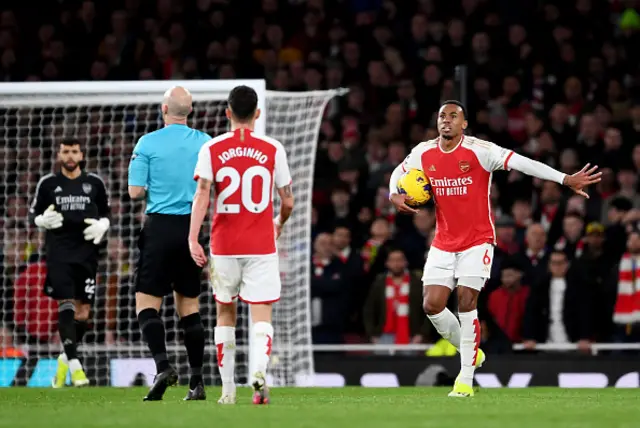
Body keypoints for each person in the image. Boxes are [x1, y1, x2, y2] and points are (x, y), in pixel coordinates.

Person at [388, 100, 601, 397]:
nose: (446, 120)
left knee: (466, 299)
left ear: (464, 123)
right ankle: (472, 351)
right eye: (441, 116)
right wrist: (393, 193)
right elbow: (399, 170)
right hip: (443, 241)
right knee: (431, 305)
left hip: (478, 240)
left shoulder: (480, 150)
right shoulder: (424, 152)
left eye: (453, 116)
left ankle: (464, 378)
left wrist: (564, 178)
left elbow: (524, 163)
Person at [189, 85, 294, 405]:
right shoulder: (273, 148)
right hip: (261, 244)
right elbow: (288, 201)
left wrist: (193, 238)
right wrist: (279, 222)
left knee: (225, 313)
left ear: (227, 113)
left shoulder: (212, 148)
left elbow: (203, 194)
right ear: (257, 114)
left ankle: (228, 390)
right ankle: (259, 373)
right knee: (261, 313)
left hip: (223, 245)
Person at [127, 86, 212, 401]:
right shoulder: (206, 143)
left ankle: (162, 366)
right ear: (190, 111)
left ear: (164, 109)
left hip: (160, 227)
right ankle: (197, 382)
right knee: (189, 305)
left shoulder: (147, 143)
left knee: (146, 302)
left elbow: (135, 191)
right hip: (192, 228)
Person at [29, 138, 110, 388]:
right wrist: (42, 220)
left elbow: (106, 211)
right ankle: (75, 366)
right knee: (66, 303)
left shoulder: (94, 183)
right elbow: (34, 213)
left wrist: (103, 224)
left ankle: (64, 359)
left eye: (74, 151)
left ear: (82, 154)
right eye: (66, 151)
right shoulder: (48, 183)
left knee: (84, 311)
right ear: (59, 155)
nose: (70, 156)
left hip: (87, 252)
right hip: (59, 252)